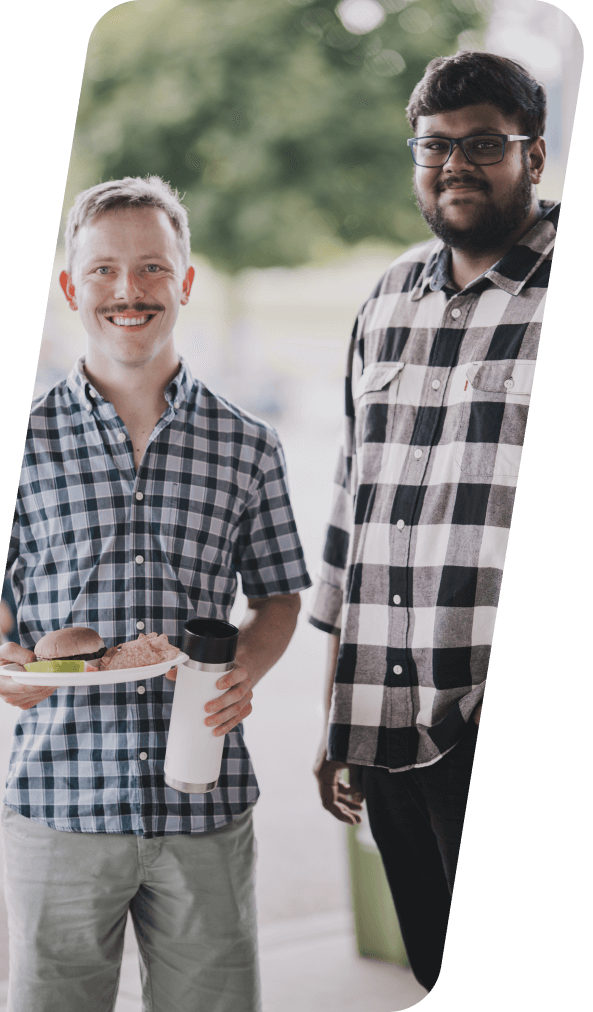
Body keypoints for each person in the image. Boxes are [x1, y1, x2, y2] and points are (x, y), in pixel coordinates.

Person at [0, 174, 311, 1012]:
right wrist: (4, 656)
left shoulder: (248, 446)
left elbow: (278, 594)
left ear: (186, 281)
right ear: (68, 287)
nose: (127, 290)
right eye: (102, 270)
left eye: (152, 268)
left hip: (203, 805)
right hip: (59, 803)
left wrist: (246, 668)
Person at [309, 50, 557, 993]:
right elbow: (350, 518)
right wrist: (337, 711)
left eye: (484, 143)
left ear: (533, 154)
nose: (455, 164)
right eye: (434, 146)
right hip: (384, 722)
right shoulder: (384, 302)